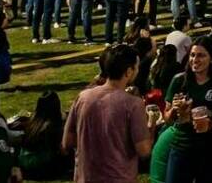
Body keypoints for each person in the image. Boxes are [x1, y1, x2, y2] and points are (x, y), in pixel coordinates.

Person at [63, 44, 155, 183]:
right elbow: (144, 150)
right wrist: (152, 125)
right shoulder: (133, 104)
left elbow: (67, 142)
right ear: (128, 71)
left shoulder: (83, 97)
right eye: (136, 67)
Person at [164, 36, 212, 183]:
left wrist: (210, 121)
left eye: (201, 55)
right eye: (193, 55)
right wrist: (175, 110)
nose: (195, 59)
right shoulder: (179, 81)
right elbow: (167, 120)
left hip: (210, 150)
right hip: (182, 146)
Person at [17, 91, 69, 181]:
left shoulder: (33, 122)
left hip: (25, 165)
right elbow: (62, 150)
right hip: (43, 169)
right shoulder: (52, 126)